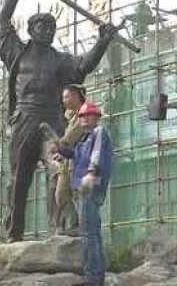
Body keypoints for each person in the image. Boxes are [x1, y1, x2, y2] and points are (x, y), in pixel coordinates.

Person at [0, 0, 119, 242]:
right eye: (42, 25)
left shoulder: (60, 60)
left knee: (59, 170)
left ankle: (60, 227)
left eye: (52, 26)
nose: (48, 29)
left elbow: (84, 65)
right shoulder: (17, 52)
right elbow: (2, 20)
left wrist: (103, 42)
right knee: (18, 180)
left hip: (52, 122)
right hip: (23, 120)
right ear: (30, 29)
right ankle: (14, 234)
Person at [55, 101, 112, 286]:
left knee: (89, 234)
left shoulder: (99, 133)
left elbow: (96, 156)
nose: (84, 118)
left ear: (97, 117)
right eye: (81, 116)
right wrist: (63, 152)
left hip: (91, 187)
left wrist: (92, 172)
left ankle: (92, 277)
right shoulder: (85, 140)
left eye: (88, 115)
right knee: (91, 232)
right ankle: (95, 274)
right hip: (83, 188)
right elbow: (78, 156)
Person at [47, 84, 88, 234]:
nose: (64, 100)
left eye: (66, 96)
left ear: (76, 96)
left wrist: (59, 145)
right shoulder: (71, 118)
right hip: (68, 162)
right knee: (61, 195)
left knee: (78, 195)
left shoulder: (83, 116)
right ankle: (73, 224)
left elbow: (71, 137)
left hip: (80, 162)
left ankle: (81, 226)